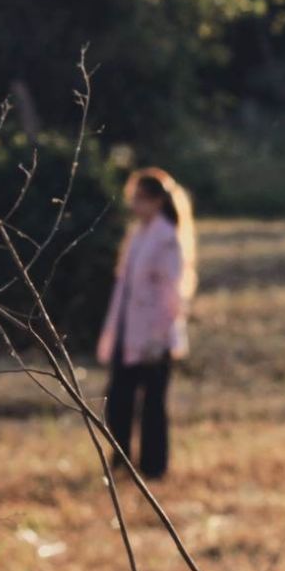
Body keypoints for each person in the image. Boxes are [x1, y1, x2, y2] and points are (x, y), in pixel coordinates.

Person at [95, 167, 197, 479]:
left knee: (152, 405)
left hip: (155, 337)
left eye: (140, 199)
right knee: (118, 401)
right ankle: (121, 459)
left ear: (155, 201)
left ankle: (154, 468)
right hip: (128, 331)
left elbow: (171, 295)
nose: (134, 206)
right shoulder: (138, 235)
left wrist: (158, 337)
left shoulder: (167, 238)